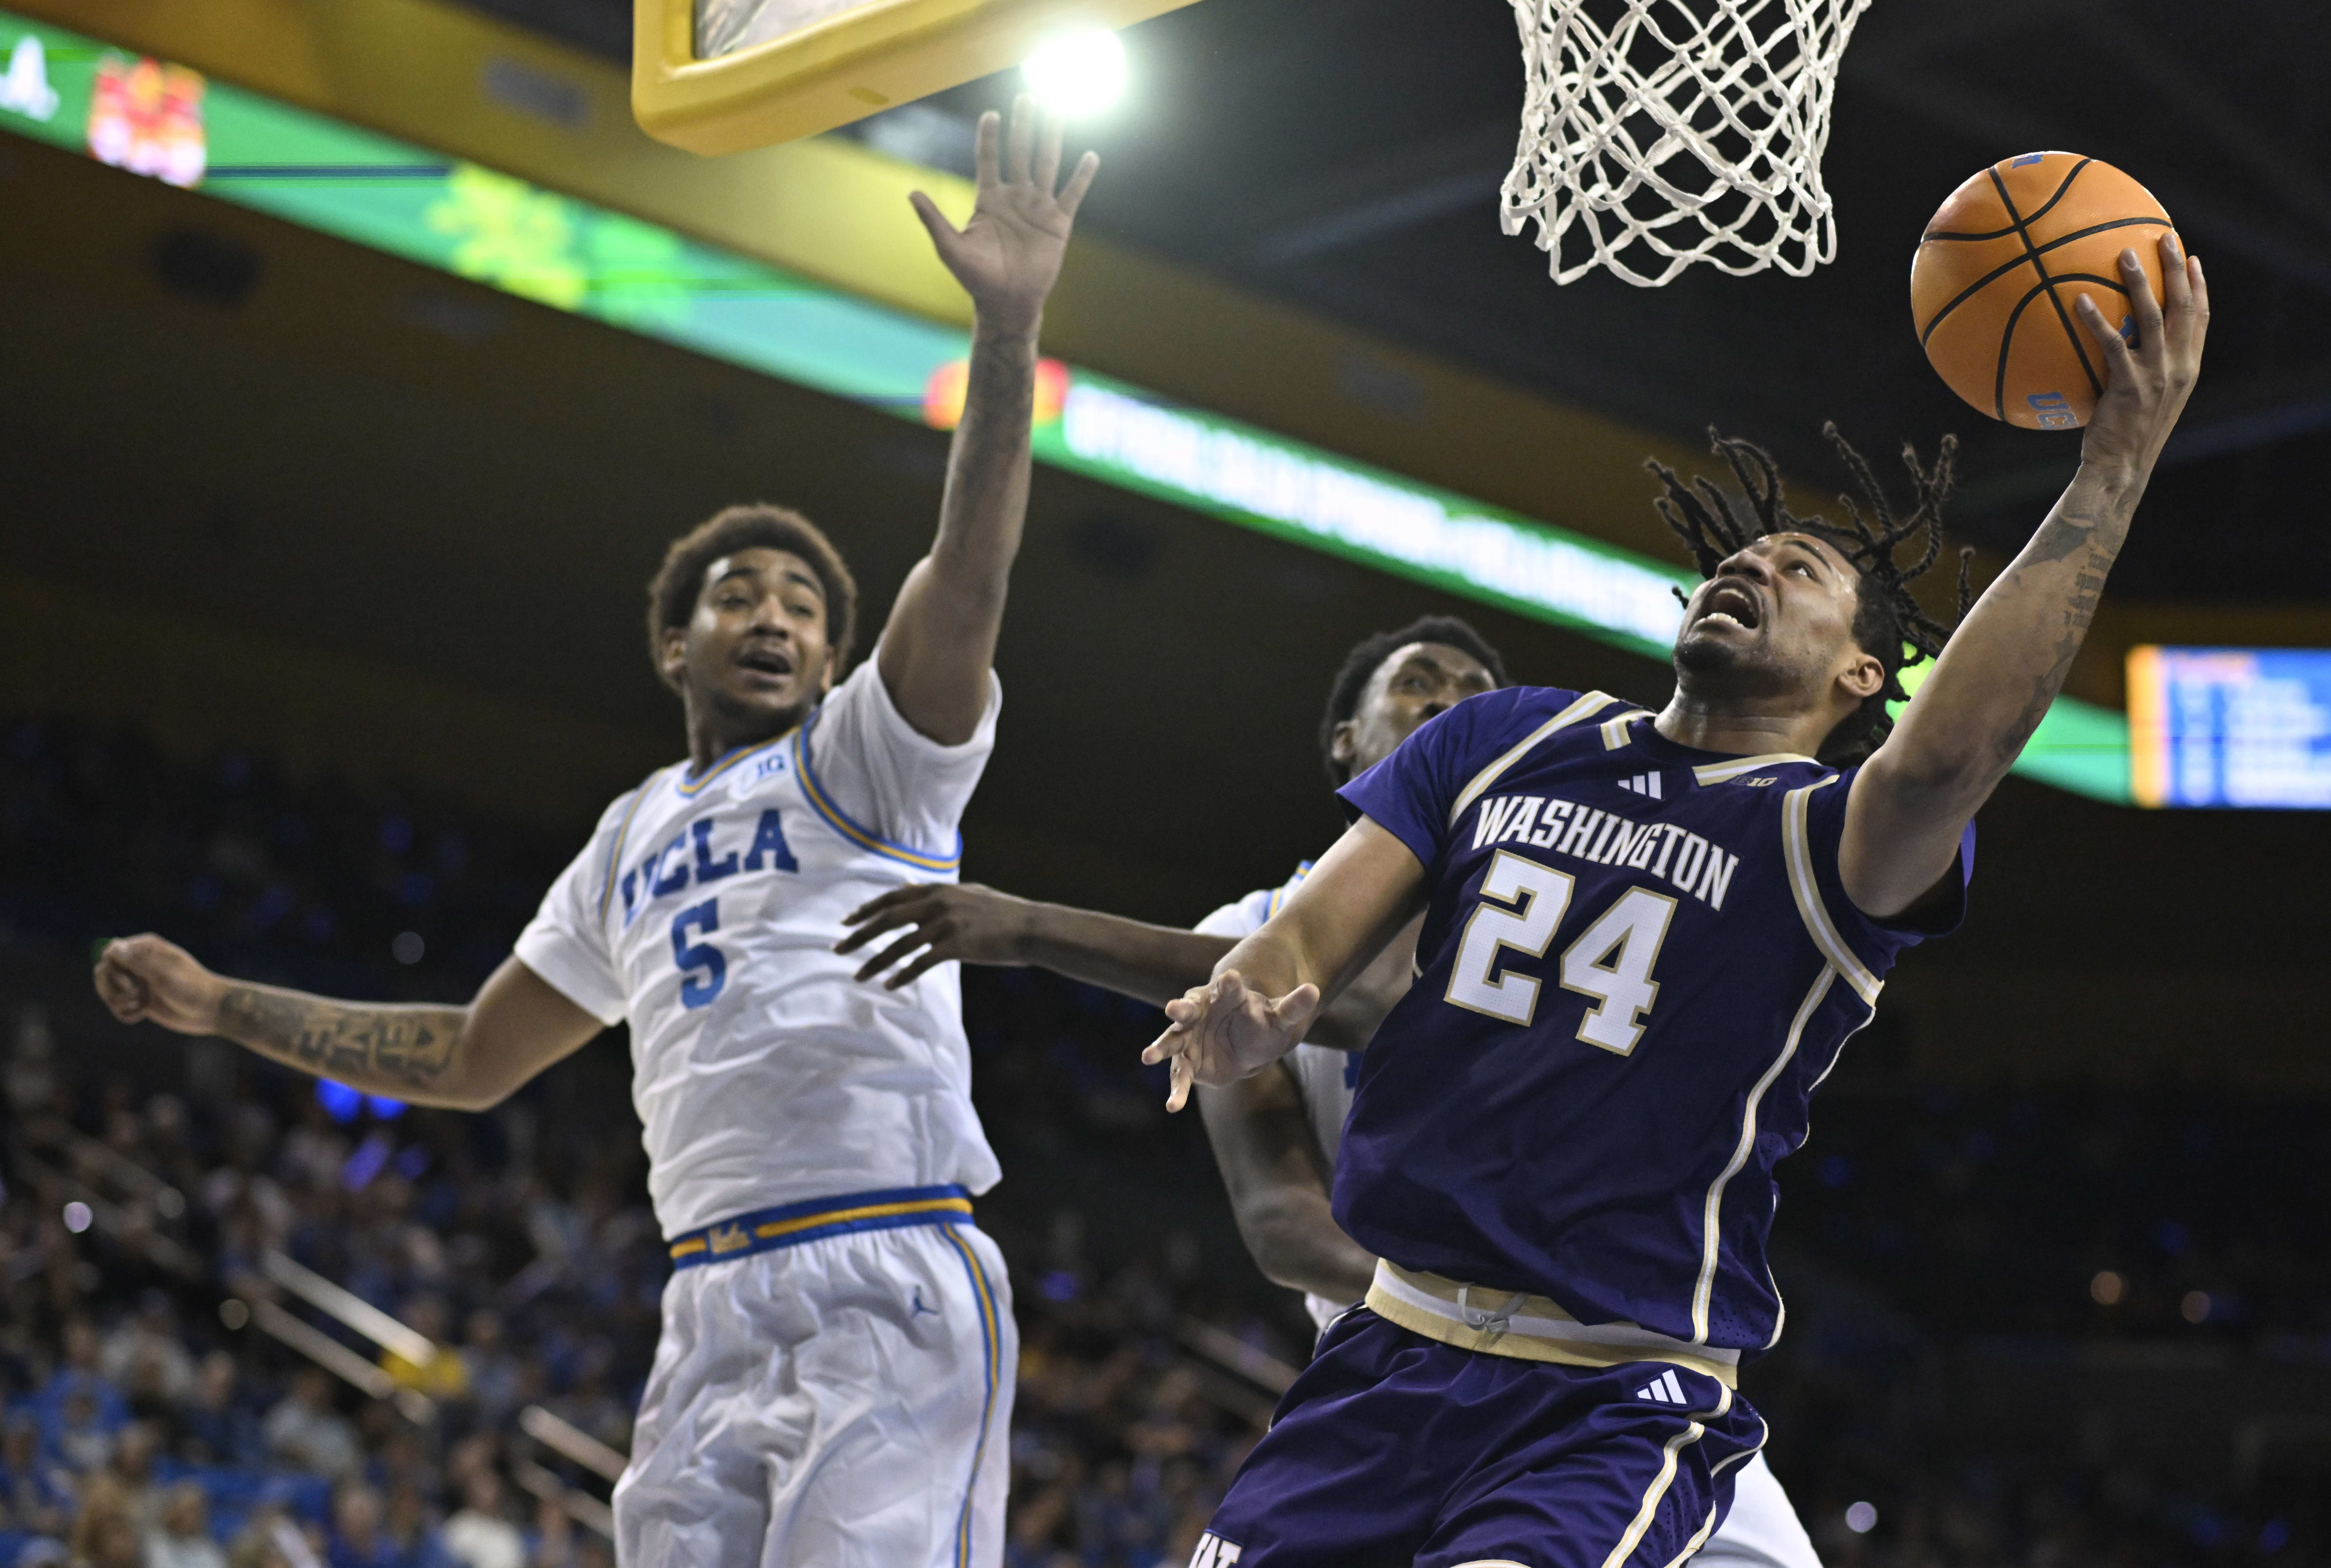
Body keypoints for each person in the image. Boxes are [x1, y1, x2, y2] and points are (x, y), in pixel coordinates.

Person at [92, 98, 1100, 1568]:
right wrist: (217, 1004)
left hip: (885, 1261)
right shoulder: (628, 834)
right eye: (737, 595)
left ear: (833, 662)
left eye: (804, 607)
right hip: (707, 1295)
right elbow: (462, 1058)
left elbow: (970, 569)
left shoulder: (874, 753)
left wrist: (1005, 336)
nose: (772, 615)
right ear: (674, 647)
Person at [1141, 237, 2207, 1568]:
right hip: (1382, 1355)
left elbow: (1950, 757)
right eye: (1745, 551)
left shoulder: (1829, 839)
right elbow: (1303, 934)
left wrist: (2110, 469)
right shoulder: (1508, 736)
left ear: (1862, 675)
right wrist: (1249, 1005)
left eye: (1800, 569)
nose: (1753, 563)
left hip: (1601, 1396)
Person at [841, 615, 1823, 1568]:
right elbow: (1279, 1224)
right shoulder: (1257, 925)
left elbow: (1372, 998)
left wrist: (1026, 930)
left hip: (1613, 1383)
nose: (1445, 706)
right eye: (1415, 685)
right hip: (1396, 1371)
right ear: (1351, 745)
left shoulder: (1575, 900)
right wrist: (1467, 1315)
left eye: (1470, 696)